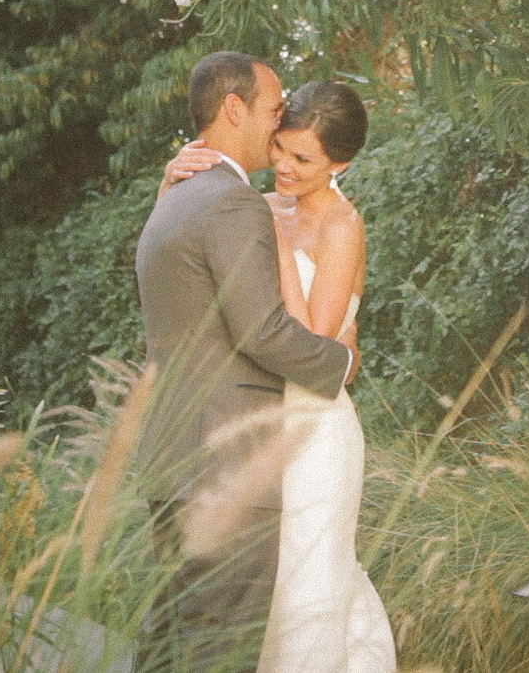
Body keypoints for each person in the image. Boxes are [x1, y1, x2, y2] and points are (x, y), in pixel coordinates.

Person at [161, 79, 397, 673]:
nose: (283, 169)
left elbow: (310, 347)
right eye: (280, 149)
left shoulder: (342, 227)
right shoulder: (255, 207)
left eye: (303, 159)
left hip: (315, 430)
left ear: (339, 163)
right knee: (253, 590)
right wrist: (168, 190)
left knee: (306, 582)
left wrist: (273, 236)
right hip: (255, 423)